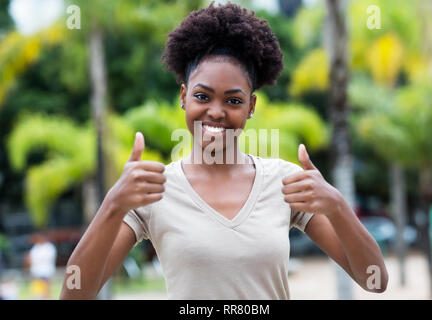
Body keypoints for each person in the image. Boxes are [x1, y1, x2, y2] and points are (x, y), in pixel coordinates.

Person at [60, 2, 388, 300]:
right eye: (202, 97)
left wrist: (337, 206)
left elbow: (374, 281)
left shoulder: (285, 182)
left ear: (251, 106)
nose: (216, 112)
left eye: (233, 100)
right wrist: (114, 203)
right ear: (183, 96)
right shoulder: (153, 191)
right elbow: (74, 294)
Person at [25, 232, 57, 299]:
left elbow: (48, 258)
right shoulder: (35, 248)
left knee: (46, 290)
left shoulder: (49, 247)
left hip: (46, 271)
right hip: (36, 271)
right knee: (37, 291)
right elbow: (30, 260)